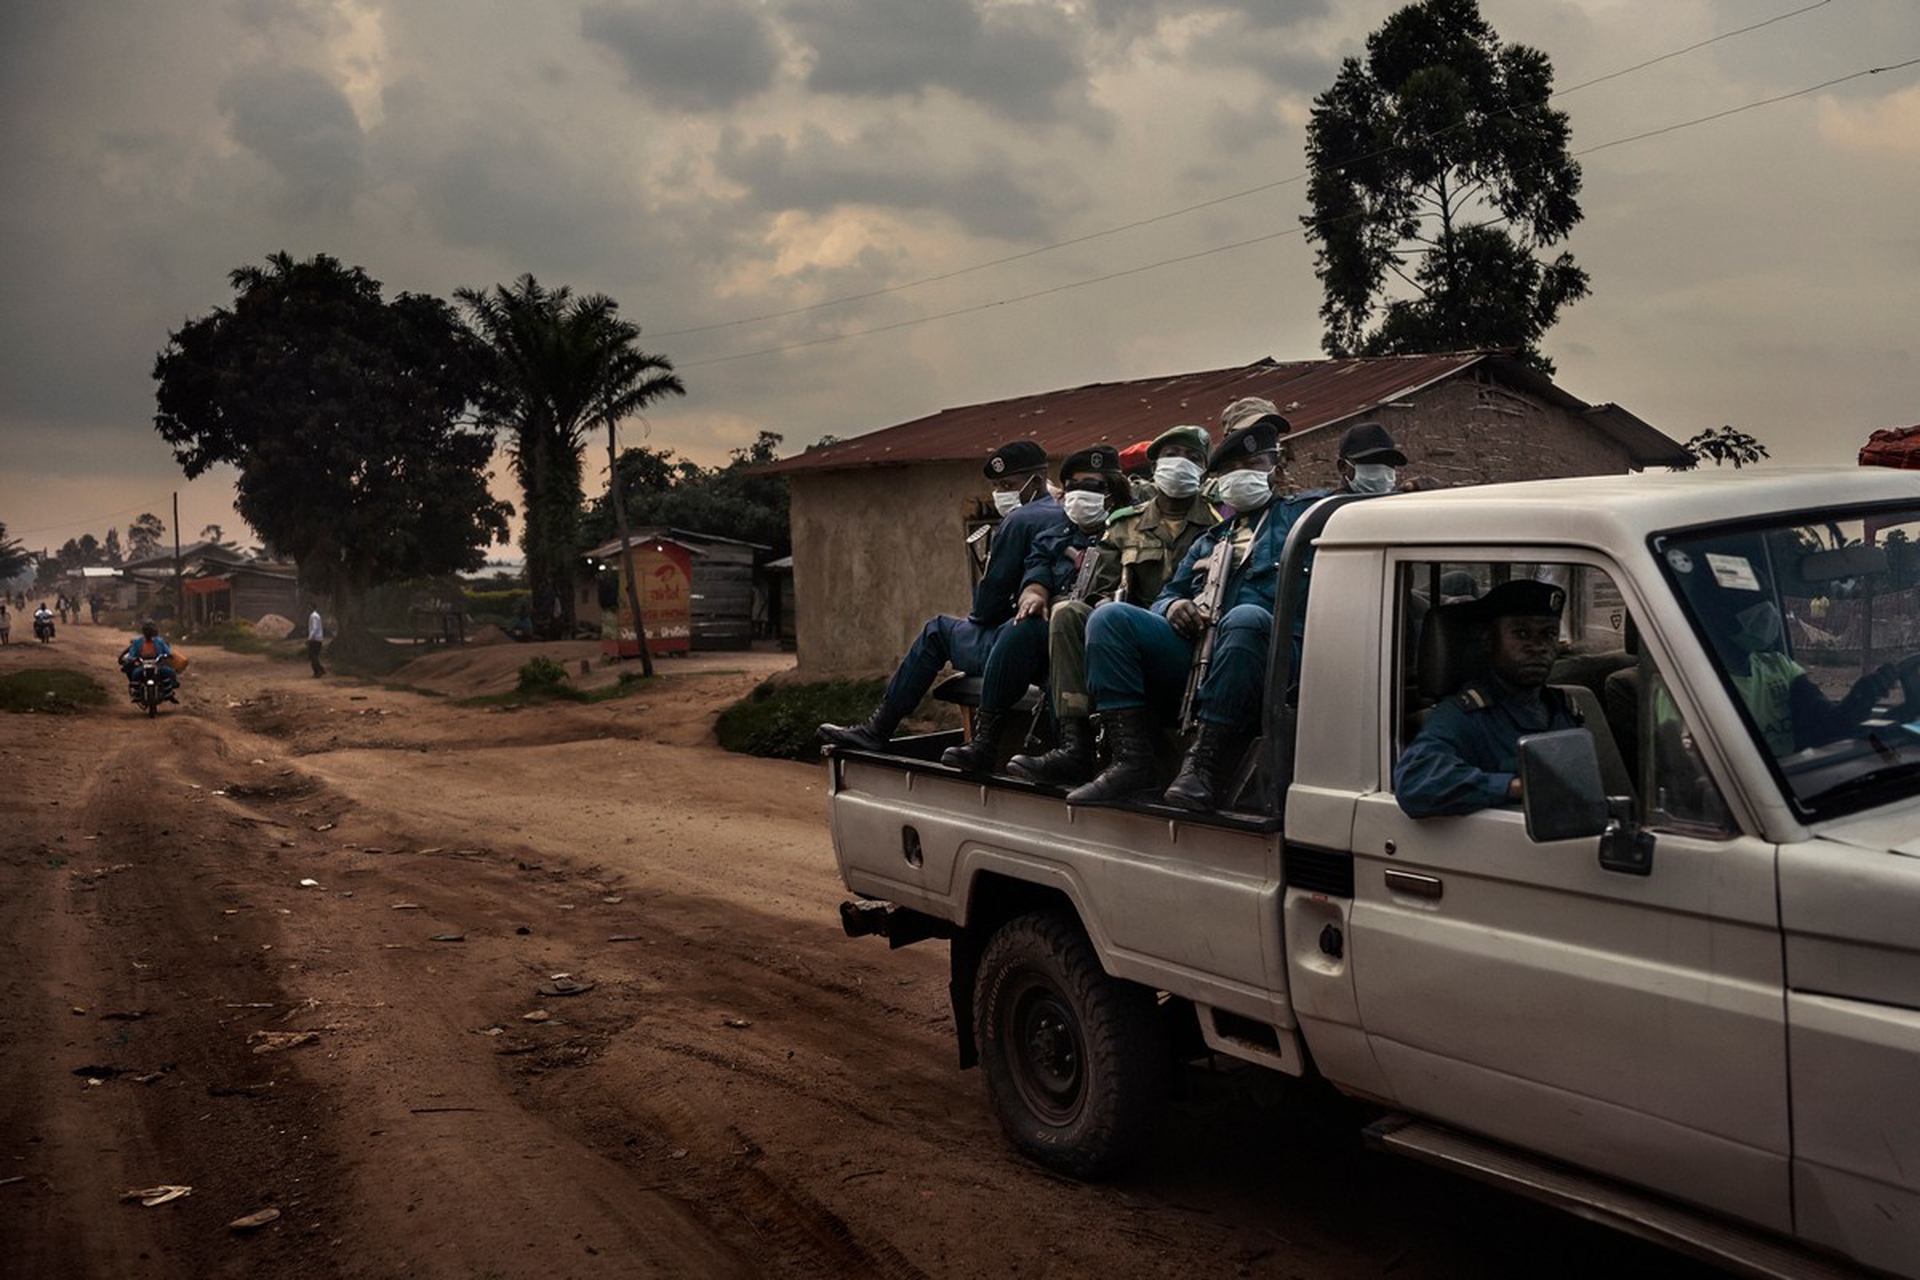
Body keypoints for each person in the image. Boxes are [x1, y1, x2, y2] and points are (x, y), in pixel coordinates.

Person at [1068, 401, 1316, 808]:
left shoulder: (1305, 517)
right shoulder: (1211, 538)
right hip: (1206, 653)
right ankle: (1131, 760)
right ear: (1220, 479)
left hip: (1276, 659)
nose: (1245, 475)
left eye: (1255, 464)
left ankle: (1204, 763)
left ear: (1276, 469)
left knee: (1246, 617)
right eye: (1235, 468)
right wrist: (1173, 607)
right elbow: (1167, 593)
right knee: (1110, 618)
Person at [819, 440, 1067, 751]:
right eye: (998, 485)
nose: (1002, 492)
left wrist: (981, 605)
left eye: (1009, 484)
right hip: (1056, 641)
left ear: (1038, 477)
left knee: (937, 630)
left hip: (1015, 640)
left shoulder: (1020, 520)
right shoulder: (1065, 509)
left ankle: (878, 729)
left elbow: (987, 606)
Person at [1008, 424, 1218, 785]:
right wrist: (1103, 602)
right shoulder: (1125, 525)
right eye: (1172, 456)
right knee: (1069, 613)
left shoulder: (1220, 523)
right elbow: (1096, 590)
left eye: (1193, 458)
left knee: (1109, 617)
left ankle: (1133, 759)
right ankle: (1076, 746)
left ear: (1204, 470)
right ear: (1154, 467)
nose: (1181, 464)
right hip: (1125, 641)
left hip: (1191, 644)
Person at [939, 446, 1130, 772]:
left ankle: (1074, 749)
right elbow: (1039, 560)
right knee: (1022, 627)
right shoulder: (1060, 531)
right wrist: (1034, 588)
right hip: (1054, 626)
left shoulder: (1130, 528)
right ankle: (985, 742)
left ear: (1111, 492)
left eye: (1092, 487)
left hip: (1105, 629)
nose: (1080, 495)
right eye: (1073, 487)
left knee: (1063, 631)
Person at [1392, 580, 1581, 817]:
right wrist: (1515, 787)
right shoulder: (1463, 715)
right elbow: (1414, 783)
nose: (1538, 646)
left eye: (1549, 634)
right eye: (1522, 634)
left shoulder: (1564, 707)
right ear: (1489, 641)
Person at [120, 619, 180, 702]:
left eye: (150, 630)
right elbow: (131, 654)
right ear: (143, 631)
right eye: (146, 630)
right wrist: (132, 658)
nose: (148, 632)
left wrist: (167, 656)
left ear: (153, 631)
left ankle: (168, 692)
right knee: (136, 674)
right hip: (142, 664)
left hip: (157, 664)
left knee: (169, 672)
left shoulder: (160, 641)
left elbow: (167, 652)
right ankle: (137, 693)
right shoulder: (137, 642)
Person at [307, 603, 327, 676]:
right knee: (315, 656)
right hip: (318, 638)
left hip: (315, 639)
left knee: (313, 656)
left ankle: (317, 671)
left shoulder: (313, 616)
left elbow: (314, 628)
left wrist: (310, 638)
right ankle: (321, 669)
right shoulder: (316, 616)